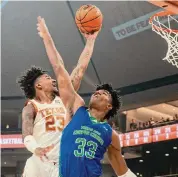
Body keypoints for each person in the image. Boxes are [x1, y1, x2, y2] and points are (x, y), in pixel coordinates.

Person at [37, 16, 136, 177]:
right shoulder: (77, 109)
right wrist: (48, 38)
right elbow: (61, 68)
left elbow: (121, 168)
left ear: (109, 106)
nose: (97, 92)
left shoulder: (110, 135)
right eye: (97, 91)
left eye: (104, 94)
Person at [18, 17, 99, 177]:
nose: (53, 79)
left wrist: (90, 42)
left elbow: (80, 68)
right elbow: (26, 133)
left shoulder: (64, 99)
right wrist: (36, 148)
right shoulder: (31, 106)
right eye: (47, 78)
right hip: (38, 163)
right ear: (38, 85)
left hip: (61, 165)